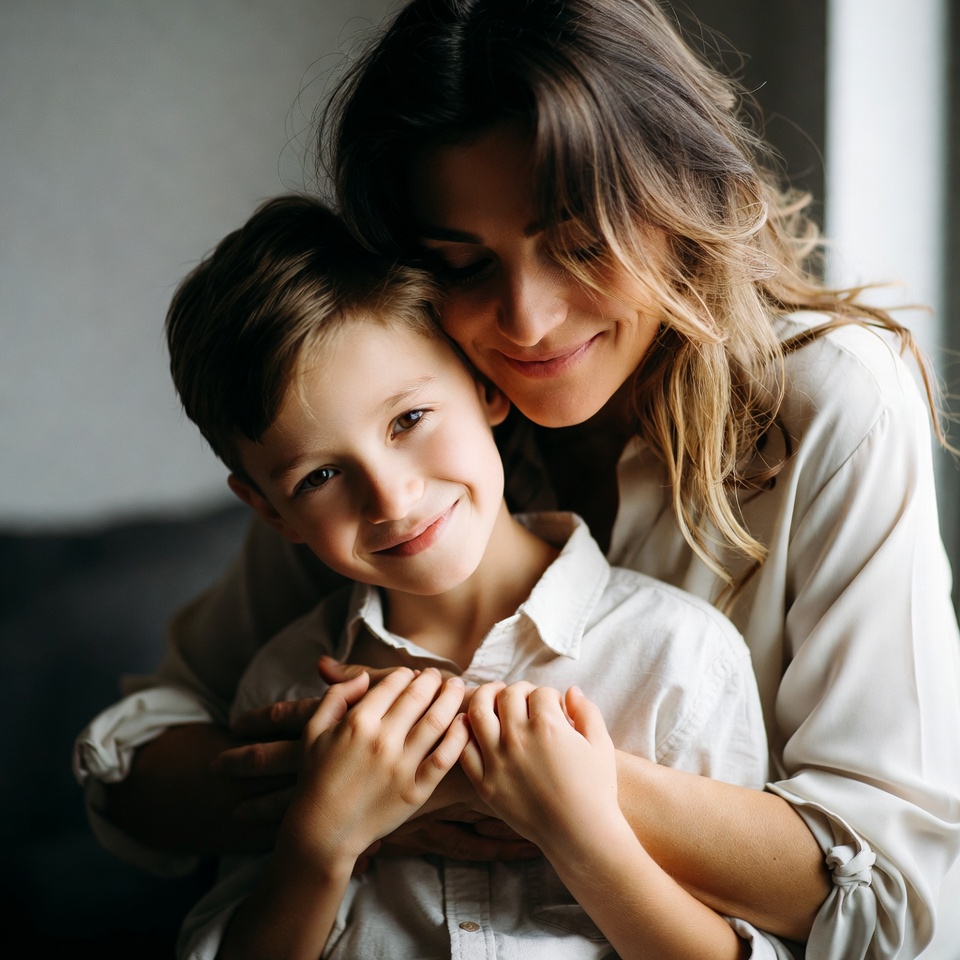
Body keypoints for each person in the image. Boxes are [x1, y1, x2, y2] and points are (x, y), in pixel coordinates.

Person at [73, 1, 960, 957]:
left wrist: (499, 768)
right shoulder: (405, 415)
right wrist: (342, 802)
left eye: (580, 243)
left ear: (677, 198)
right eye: (461, 264)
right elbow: (140, 764)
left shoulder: (830, 403)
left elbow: (895, 903)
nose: (527, 322)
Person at [156, 193, 775, 959]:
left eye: (409, 420)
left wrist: (583, 837)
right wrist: (317, 847)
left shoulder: (679, 659)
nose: (392, 497)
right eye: (319, 476)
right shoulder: (285, 688)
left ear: (487, 387)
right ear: (268, 509)